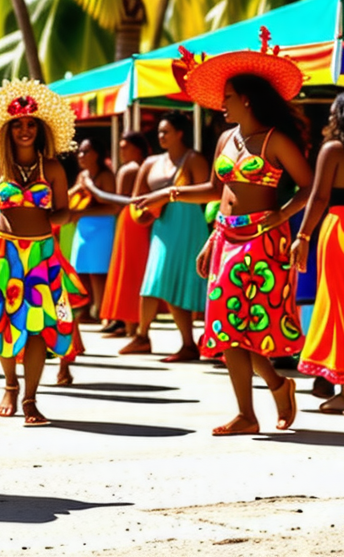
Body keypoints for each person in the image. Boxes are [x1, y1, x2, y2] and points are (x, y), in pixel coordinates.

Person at [136, 29, 313, 435]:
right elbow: (218, 192)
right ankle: (251, 409)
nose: (222, 104)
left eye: (228, 97)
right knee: (224, 325)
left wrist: (281, 215)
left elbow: (310, 186)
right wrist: (173, 197)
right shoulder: (224, 140)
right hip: (225, 236)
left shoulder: (274, 140)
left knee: (253, 325)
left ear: (247, 98)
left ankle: (275, 386)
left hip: (264, 240)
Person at [0, 78, 78, 426]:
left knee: (37, 327)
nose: (25, 130)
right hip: (3, 254)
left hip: (41, 255)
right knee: (2, 322)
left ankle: (30, 398)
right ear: (7, 130)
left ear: (41, 129)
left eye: (31, 124)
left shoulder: (52, 167)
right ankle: (10, 385)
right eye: (18, 124)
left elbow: (65, 211)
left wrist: (55, 216)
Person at [292, 92, 344, 415]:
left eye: (332, 114)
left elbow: (317, 198)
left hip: (339, 230)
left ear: (341, 117)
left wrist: (303, 235)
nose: (328, 120)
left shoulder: (332, 150)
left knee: (342, 310)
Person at [119, 112, 211, 360]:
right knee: (154, 280)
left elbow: (209, 193)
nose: (160, 136)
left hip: (187, 223)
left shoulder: (193, 159)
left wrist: (170, 194)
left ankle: (185, 343)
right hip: (162, 226)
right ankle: (143, 336)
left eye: (165, 131)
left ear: (180, 133)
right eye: (159, 131)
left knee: (173, 280)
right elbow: (138, 197)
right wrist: (145, 213)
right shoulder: (151, 162)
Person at [93, 132, 152, 338]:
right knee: (138, 270)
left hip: (128, 220)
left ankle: (128, 325)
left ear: (136, 148)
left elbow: (117, 202)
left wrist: (92, 188)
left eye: (125, 147)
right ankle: (134, 325)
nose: (121, 151)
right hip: (143, 221)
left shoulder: (129, 169)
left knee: (127, 271)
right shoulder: (148, 165)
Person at [69, 137, 118, 321]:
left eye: (85, 151)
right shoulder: (82, 176)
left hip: (102, 226)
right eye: (79, 151)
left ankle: (102, 311)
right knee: (82, 269)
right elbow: (69, 197)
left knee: (98, 271)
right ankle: (88, 309)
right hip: (84, 226)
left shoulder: (106, 176)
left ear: (97, 154)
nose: (81, 155)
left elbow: (113, 206)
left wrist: (83, 211)